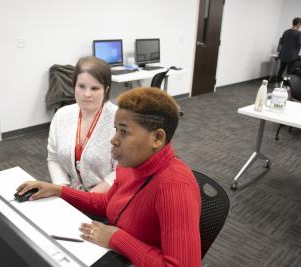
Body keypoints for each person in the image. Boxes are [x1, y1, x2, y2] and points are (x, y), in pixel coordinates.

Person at [17, 87, 201, 266]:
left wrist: (116, 238)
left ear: (157, 138)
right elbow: (107, 203)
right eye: (115, 129)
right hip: (115, 254)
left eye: (124, 131)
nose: (113, 140)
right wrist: (58, 190)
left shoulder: (175, 186)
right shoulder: (130, 165)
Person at [47, 56, 117, 192]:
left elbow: (121, 171)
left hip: (106, 199)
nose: (87, 94)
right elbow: (54, 158)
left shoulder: (118, 119)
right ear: (74, 85)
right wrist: (64, 189)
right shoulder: (62, 115)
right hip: (70, 196)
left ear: (106, 90)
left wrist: (86, 199)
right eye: (81, 86)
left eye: (95, 88)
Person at [276, 17, 301, 82]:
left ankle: (277, 81)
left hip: (283, 54)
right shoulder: (298, 33)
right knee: (289, 71)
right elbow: (299, 44)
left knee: (281, 69)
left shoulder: (286, 32)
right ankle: (287, 84)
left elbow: (282, 43)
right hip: (292, 55)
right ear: (298, 24)